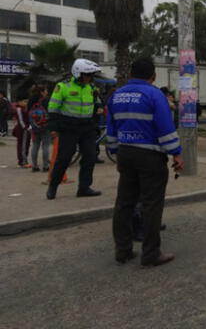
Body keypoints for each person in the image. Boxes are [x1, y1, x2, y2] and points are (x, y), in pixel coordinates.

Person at [107, 58, 184, 267]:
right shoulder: (154, 94)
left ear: (131, 74)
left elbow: (111, 130)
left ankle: (122, 250)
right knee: (151, 205)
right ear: (153, 76)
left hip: (125, 154)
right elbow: (166, 129)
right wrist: (176, 153)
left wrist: (116, 152)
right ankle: (150, 254)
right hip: (150, 157)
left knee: (124, 203)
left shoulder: (116, 95)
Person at [46, 58, 102, 200]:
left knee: (90, 157)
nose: (90, 78)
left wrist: (97, 111)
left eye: (91, 75)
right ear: (78, 73)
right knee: (64, 158)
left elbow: (96, 104)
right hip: (69, 127)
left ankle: (84, 188)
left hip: (87, 127)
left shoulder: (91, 88)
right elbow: (53, 108)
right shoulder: (63, 86)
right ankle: (53, 186)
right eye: (87, 75)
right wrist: (53, 127)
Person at [28, 84, 51, 172]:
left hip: (34, 126)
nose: (47, 92)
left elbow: (28, 112)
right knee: (45, 146)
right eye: (45, 91)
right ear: (42, 92)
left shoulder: (31, 100)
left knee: (35, 145)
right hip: (45, 125)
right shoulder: (46, 100)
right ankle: (45, 166)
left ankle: (34, 166)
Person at [13, 97, 31, 168]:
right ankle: (22, 162)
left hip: (26, 129)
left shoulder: (25, 108)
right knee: (22, 145)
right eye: (24, 101)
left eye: (27, 102)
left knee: (26, 144)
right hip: (22, 130)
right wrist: (26, 128)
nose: (26, 103)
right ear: (19, 102)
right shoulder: (19, 109)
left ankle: (24, 160)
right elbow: (21, 120)